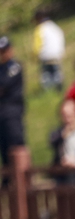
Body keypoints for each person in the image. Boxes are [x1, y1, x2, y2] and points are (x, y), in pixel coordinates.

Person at [0, 37, 24, 172]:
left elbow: (4, 85)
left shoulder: (15, 67)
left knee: (15, 146)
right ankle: (8, 179)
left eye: (5, 50)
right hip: (2, 114)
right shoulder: (1, 68)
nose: (3, 53)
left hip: (12, 113)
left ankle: (20, 177)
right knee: (4, 148)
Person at [33, 9, 64, 91]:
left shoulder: (40, 28)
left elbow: (37, 45)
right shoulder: (55, 27)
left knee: (46, 75)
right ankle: (59, 88)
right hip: (57, 55)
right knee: (57, 72)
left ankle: (48, 92)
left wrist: (36, 56)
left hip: (45, 55)